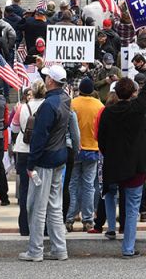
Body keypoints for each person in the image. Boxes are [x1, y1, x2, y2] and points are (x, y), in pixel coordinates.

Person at [98, 63, 146, 257]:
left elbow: (102, 141)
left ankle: (111, 228)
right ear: (133, 93)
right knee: (132, 207)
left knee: (110, 194)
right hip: (135, 165)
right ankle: (128, 247)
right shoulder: (137, 109)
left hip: (114, 164)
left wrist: (110, 154)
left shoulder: (108, 112)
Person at [21, 63, 77, 262]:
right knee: (54, 206)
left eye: (46, 77)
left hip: (44, 160)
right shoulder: (65, 99)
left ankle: (36, 250)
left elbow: (39, 137)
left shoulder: (48, 105)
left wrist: (30, 164)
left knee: (37, 206)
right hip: (59, 156)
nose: (44, 79)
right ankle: (59, 248)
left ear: (51, 81)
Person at [66, 77, 103, 231]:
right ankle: (88, 219)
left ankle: (69, 217)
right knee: (89, 185)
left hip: (75, 149)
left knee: (73, 184)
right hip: (93, 149)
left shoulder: (72, 103)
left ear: (79, 89)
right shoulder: (99, 105)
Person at [13, 82, 46, 236]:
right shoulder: (47, 106)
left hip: (23, 149)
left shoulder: (22, 107)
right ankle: (42, 227)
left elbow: (13, 128)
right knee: (43, 190)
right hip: (42, 150)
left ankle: (24, 226)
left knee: (24, 190)